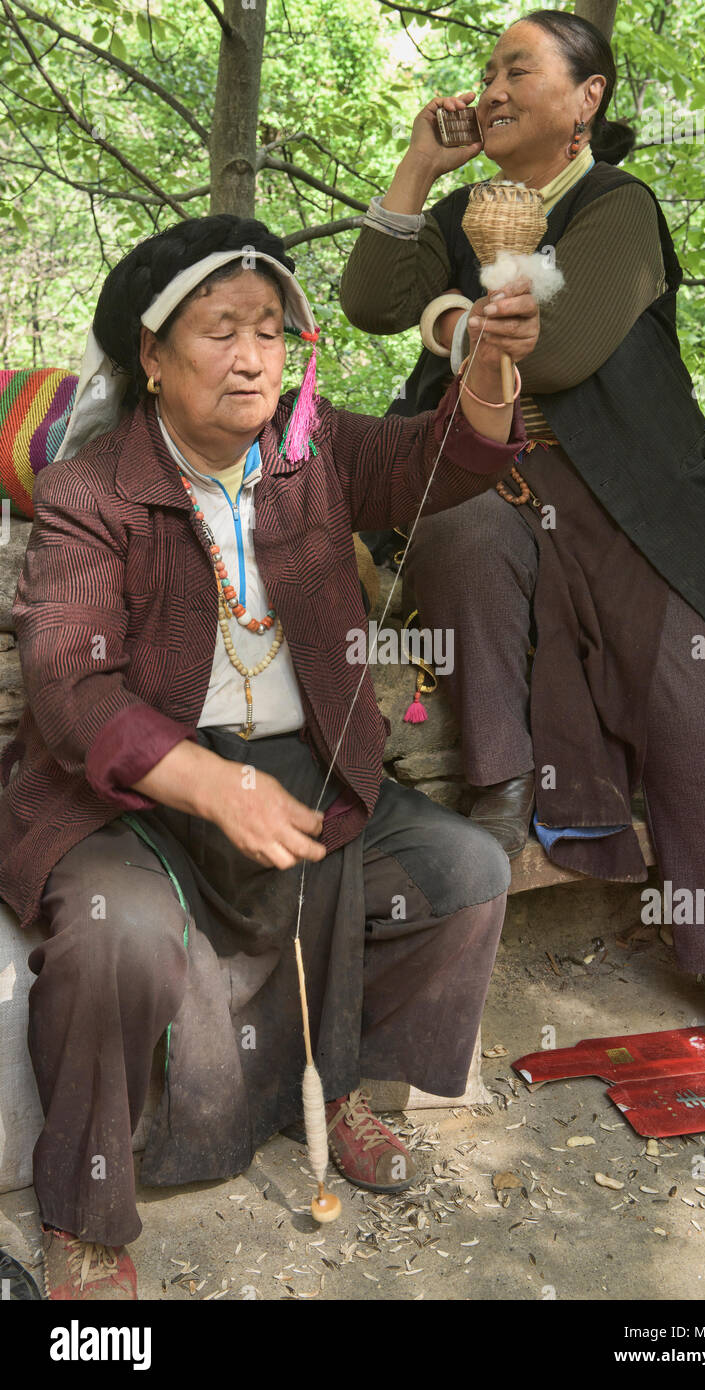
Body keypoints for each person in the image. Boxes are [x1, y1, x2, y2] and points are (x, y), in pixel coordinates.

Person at [0, 213, 539, 1300]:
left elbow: (449, 462)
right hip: (133, 800)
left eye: (271, 329)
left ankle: (337, 1088)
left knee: (463, 874)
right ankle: (88, 1215)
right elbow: (68, 682)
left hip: (303, 774)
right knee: (115, 936)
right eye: (218, 331)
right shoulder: (90, 493)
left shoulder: (317, 451)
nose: (253, 354)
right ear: (151, 358)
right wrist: (206, 778)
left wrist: (485, 362)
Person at [340, 11, 705, 1093]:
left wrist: (450, 314)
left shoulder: (616, 209)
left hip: (632, 493)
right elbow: (367, 301)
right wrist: (418, 166)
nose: (492, 87)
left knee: (681, 689)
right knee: (457, 527)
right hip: (485, 469)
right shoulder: (457, 207)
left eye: (519, 70)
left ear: (583, 99)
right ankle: (501, 784)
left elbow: (555, 354)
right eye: (487, 69)